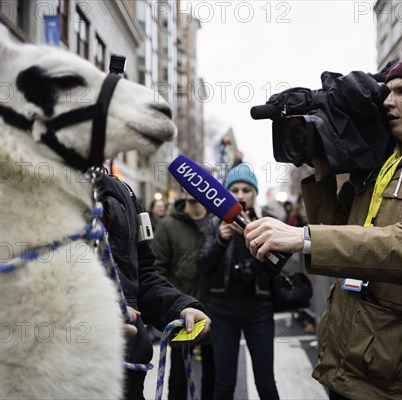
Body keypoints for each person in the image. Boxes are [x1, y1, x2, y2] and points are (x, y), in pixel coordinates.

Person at [243, 56, 402, 399]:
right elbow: (337, 234)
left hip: (399, 373)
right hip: (347, 361)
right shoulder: (379, 168)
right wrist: (321, 161)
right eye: (387, 91)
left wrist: (303, 237)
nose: (388, 101)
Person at [96, 169, 211, 400]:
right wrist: (95, 314)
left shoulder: (123, 194)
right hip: (63, 370)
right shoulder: (35, 193)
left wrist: (179, 306)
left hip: (128, 366)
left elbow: (143, 275)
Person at [198, 163, 280, 400]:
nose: (241, 195)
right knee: (224, 383)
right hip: (222, 309)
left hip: (259, 308)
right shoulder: (215, 223)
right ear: (226, 194)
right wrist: (221, 241)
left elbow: (280, 266)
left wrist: (255, 237)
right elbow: (202, 265)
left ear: (255, 193)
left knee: (265, 382)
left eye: (246, 190)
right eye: (234, 190)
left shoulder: (267, 222)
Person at [152, 187, 215, 400]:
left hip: (213, 309)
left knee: (213, 377)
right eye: (185, 183)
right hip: (182, 312)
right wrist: (173, 303)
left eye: (198, 183)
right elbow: (157, 269)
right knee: (178, 377)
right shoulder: (168, 225)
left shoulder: (215, 223)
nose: (191, 188)